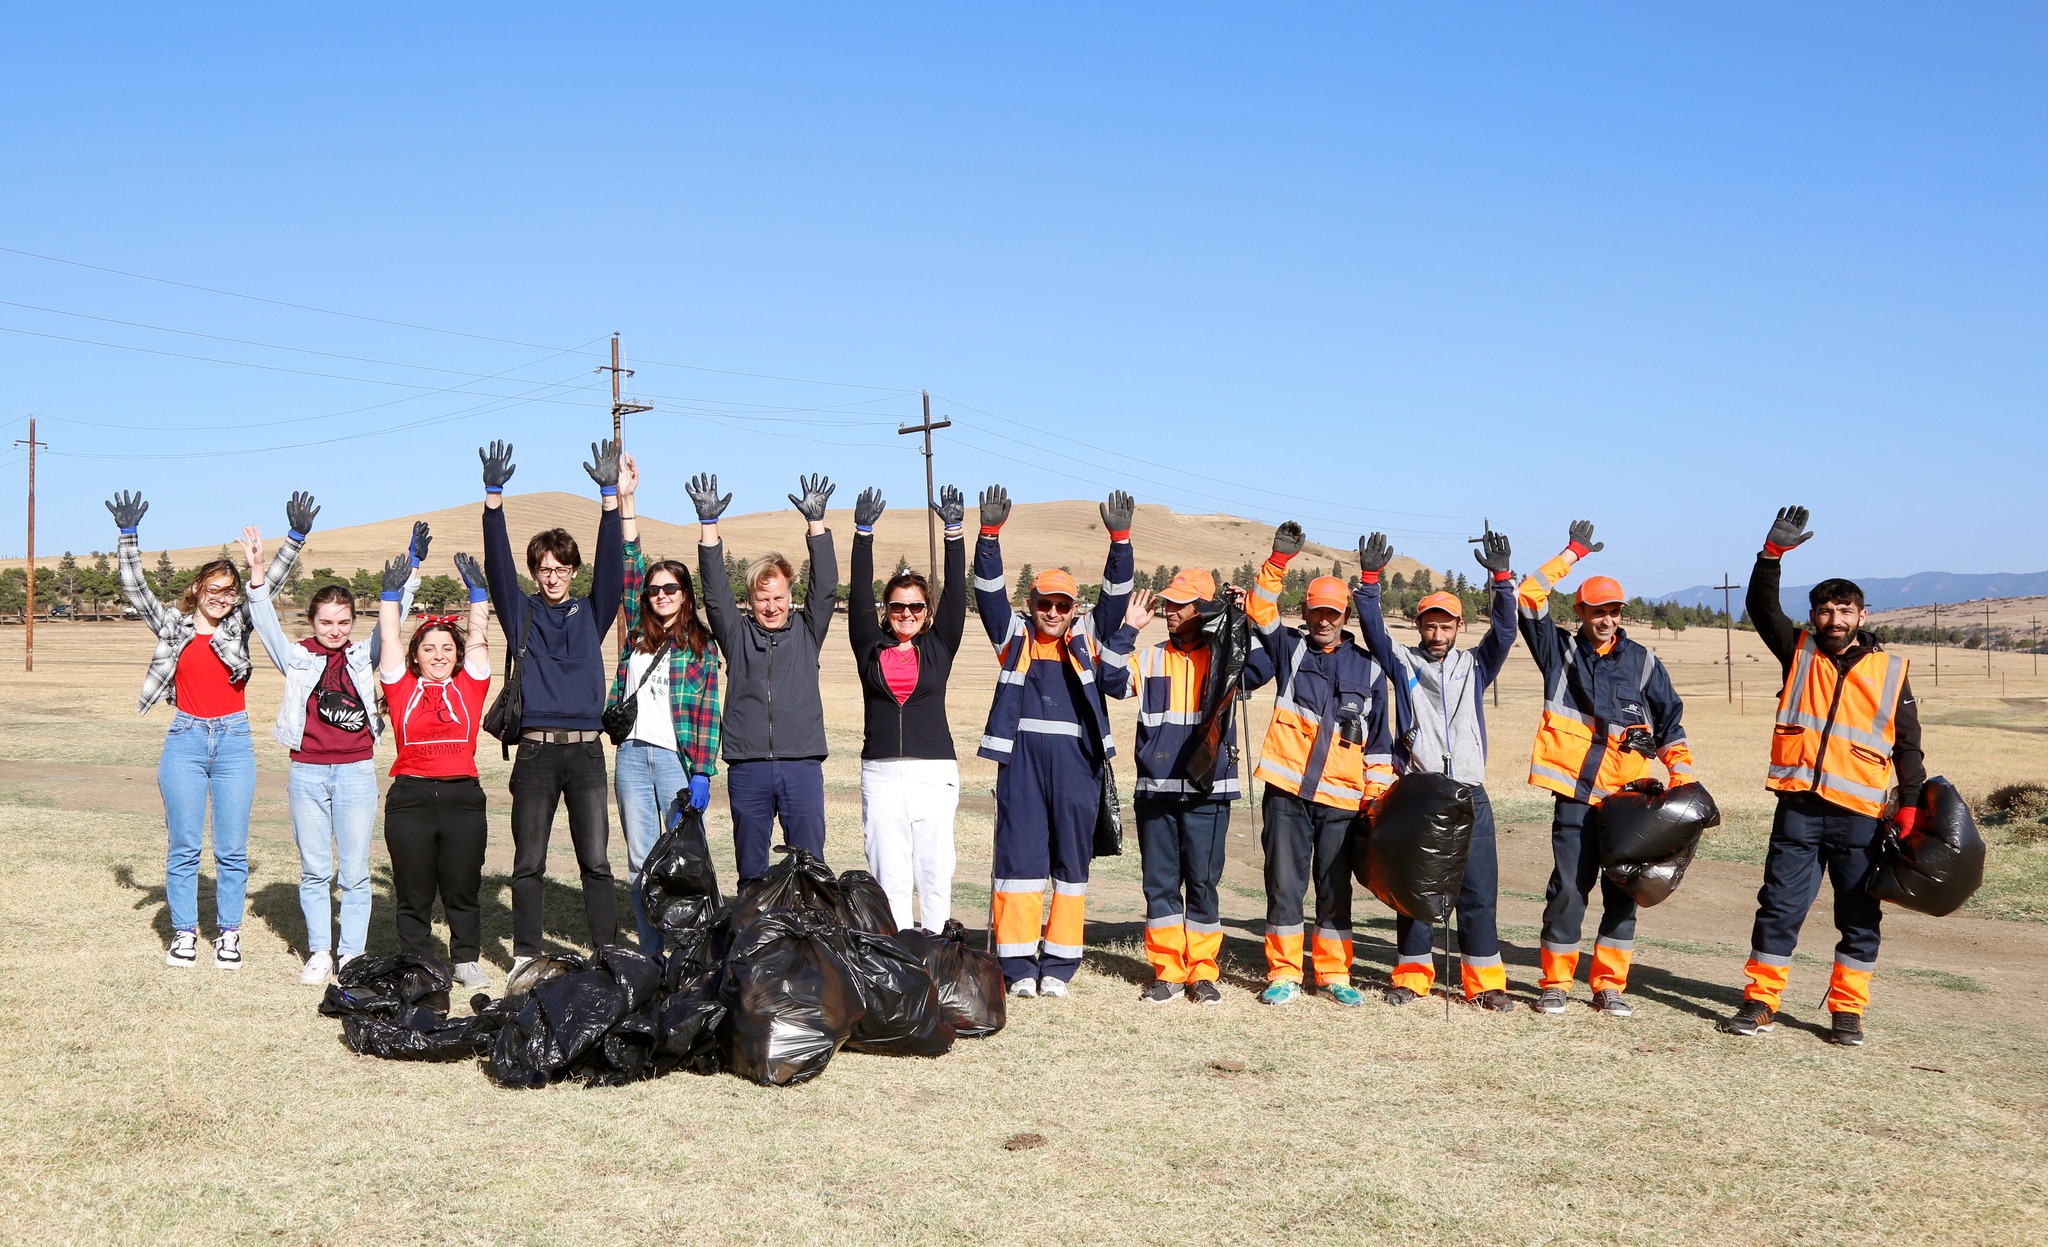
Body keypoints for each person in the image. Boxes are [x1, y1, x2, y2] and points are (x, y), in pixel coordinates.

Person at [1717, 506, 1925, 1047]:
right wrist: (1771, 556)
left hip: (1860, 817)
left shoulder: (1892, 671)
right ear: (1812, 615)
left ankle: (1847, 1011)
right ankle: (1760, 1001)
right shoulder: (1797, 651)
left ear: (1862, 615)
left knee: (1858, 915)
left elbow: (1908, 747)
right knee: (1779, 909)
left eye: (1845, 611)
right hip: (1800, 810)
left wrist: (1909, 804)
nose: (1835, 619)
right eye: (1826, 610)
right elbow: (1761, 606)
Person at [108, 488, 318, 970]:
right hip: (184, 740)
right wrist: (128, 536)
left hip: (234, 742)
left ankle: (228, 935)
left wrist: (293, 538)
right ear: (197, 589)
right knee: (184, 845)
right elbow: (136, 588)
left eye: (229, 591)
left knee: (231, 850)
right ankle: (184, 934)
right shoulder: (172, 625)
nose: (222, 598)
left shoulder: (237, 625)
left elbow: (269, 586)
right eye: (214, 590)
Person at [1517, 520, 1696, 1017]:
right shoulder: (1558, 652)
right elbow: (1529, 596)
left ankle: (1608, 986)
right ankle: (1555, 983)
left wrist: (1681, 777)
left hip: (1629, 803)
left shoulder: (1643, 663)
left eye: (1614, 611)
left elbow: (1671, 723)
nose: (1607, 619)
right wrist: (1571, 554)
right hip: (1575, 796)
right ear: (1580, 612)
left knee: (1623, 894)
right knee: (1568, 891)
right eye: (1598, 611)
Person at [976, 485, 1137, 999]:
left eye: (1061, 605)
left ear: (1073, 609)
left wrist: (1120, 541)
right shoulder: (1013, 639)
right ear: (1031, 604)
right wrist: (988, 536)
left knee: (1071, 869)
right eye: (1044, 603)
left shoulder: (1086, 639)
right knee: (1020, 866)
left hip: (1077, 770)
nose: (1052, 611)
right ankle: (1018, 966)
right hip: (1021, 768)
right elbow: (988, 594)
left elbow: (1115, 598)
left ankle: (1060, 968)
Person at [244, 520, 419, 985]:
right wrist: (258, 572)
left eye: (343, 622)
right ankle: (321, 951)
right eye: (326, 622)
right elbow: (264, 623)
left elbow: (393, 624)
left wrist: (412, 572)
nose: (335, 630)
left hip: (356, 771)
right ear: (311, 621)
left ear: (353, 622)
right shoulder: (296, 657)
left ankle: (352, 955)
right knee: (315, 869)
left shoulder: (364, 655)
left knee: (356, 872)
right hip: (307, 773)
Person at [1353, 527, 1518, 1011]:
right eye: (1430, 626)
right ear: (1419, 625)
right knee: (1416, 890)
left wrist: (1503, 580)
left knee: (1478, 891)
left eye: (1446, 627)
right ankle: (1412, 977)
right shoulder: (1403, 663)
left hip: (1470, 793)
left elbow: (1505, 632)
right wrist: (1369, 581)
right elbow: (1373, 631)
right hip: (1420, 794)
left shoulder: (1476, 665)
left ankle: (1484, 985)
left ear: (1459, 627)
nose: (1438, 635)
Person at [479, 438, 625, 969]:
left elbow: (612, 569)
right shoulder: (522, 613)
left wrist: (609, 501)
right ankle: (526, 955)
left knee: (596, 862)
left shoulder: (593, 613)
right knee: (529, 862)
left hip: (587, 754)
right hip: (536, 753)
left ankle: (607, 953)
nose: (553, 576)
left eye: (561, 568)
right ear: (535, 572)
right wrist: (494, 501)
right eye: (544, 568)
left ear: (573, 571)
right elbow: (498, 569)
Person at [1242, 521, 1394, 1007]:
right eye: (1316, 612)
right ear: (1304, 612)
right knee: (1284, 887)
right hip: (1286, 795)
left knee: (1334, 889)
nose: (1324, 621)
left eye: (1332, 613)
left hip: (1341, 802)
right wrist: (1278, 561)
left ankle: (1333, 974)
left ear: (1344, 614)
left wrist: (1374, 797)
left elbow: (1380, 744)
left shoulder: (1370, 668)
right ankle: (1284, 973)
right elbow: (1259, 608)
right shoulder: (1288, 649)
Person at [689, 470, 840, 886]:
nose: (771, 607)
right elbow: (714, 593)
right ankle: (752, 929)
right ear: (750, 601)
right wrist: (708, 525)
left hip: (801, 763)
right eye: (762, 599)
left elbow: (826, 587)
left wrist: (816, 524)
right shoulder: (736, 635)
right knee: (752, 871)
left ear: (791, 597)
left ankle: (809, 929)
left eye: (778, 597)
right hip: (748, 766)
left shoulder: (808, 631)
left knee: (809, 870)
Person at [1102, 570, 1243, 1005]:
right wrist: (1129, 629)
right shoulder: (1149, 658)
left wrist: (1241, 618)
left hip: (1209, 791)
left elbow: (1262, 667)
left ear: (1204, 610)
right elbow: (1109, 680)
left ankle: (1202, 972)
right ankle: (1168, 972)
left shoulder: (1227, 660)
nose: (1170, 610)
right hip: (1156, 791)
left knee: (1202, 884)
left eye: (1181, 604)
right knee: (1160, 884)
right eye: (1168, 603)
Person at [609, 452, 720, 954]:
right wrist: (627, 501)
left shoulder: (700, 646)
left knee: (681, 861)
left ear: (685, 594)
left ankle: (689, 952)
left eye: (670, 588)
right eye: (655, 590)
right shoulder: (637, 631)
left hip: (676, 761)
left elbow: (707, 715)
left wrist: (703, 772)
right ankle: (652, 954)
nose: (660, 595)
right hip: (632, 757)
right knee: (640, 860)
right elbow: (630, 564)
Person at [847, 484, 968, 932]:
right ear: (887, 609)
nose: (907, 613)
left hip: (934, 772)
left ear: (927, 609)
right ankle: (896, 955)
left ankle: (937, 952)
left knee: (935, 872)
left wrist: (953, 533)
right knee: (889, 875)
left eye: (916, 605)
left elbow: (957, 593)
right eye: (898, 606)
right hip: (880, 773)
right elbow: (859, 594)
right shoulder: (868, 643)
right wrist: (863, 535)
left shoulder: (940, 644)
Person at [376, 543, 495, 989]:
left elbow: (479, 640)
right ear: (416, 655)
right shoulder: (400, 686)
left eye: (447, 648)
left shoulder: (470, 685)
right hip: (410, 797)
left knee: (462, 886)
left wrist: (479, 595)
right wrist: (390, 597)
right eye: (429, 648)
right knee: (414, 889)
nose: (439, 655)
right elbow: (390, 639)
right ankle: (419, 961)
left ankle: (465, 959)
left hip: (463, 796)